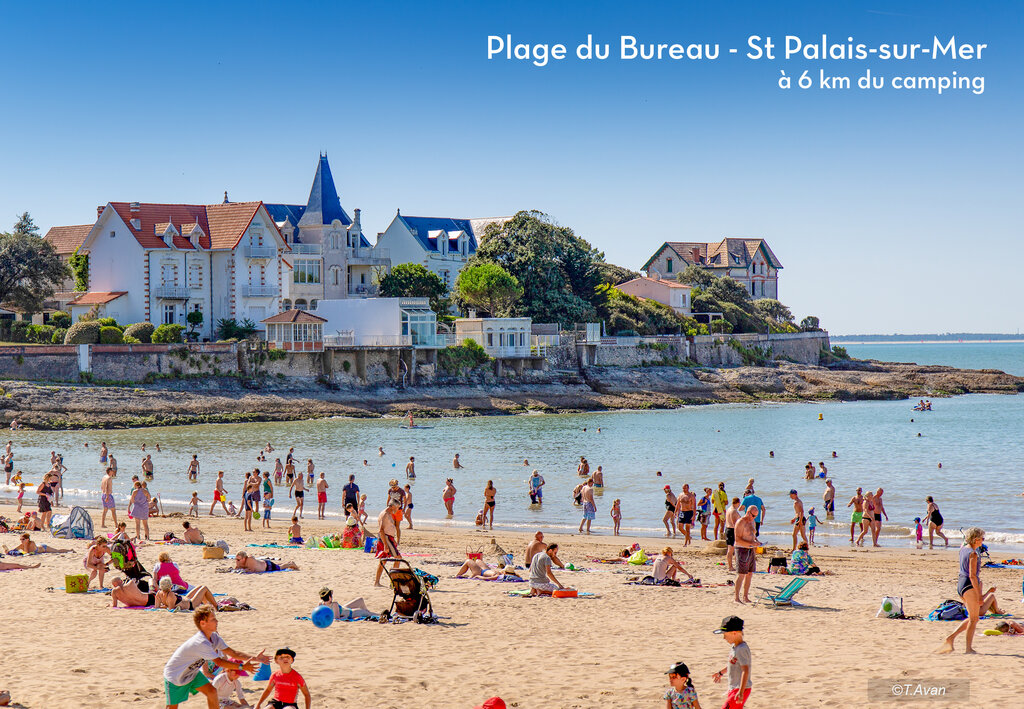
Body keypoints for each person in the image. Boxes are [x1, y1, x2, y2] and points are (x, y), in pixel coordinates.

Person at [163, 604, 269, 709]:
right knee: (172, 707)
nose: (217, 621)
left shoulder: (214, 637)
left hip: (192, 673)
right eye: (213, 619)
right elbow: (220, 662)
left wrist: (256, 658)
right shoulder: (200, 642)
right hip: (175, 676)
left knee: (212, 692)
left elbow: (233, 653)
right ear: (203, 623)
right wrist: (242, 667)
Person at [939, 527, 1004, 654]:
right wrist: (979, 596)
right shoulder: (973, 554)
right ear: (976, 539)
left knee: (973, 617)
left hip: (961, 584)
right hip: (969, 585)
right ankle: (968, 649)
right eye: (982, 539)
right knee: (974, 619)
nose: (983, 541)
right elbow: (973, 575)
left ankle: (951, 638)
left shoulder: (963, 548)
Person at [711, 615, 752, 708]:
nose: (724, 638)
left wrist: (741, 692)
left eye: (725, 635)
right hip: (734, 688)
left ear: (734, 633)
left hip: (740, 688)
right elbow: (733, 664)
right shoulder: (735, 647)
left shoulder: (741, 649)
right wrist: (721, 673)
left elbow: (745, 670)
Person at [733, 506, 759, 604]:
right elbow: (737, 539)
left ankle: (745, 596)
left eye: (755, 516)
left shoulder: (752, 521)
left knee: (749, 573)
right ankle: (736, 597)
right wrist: (751, 543)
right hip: (741, 549)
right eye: (753, 515)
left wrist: (756, 541)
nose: (753, 518)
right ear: (748, 513)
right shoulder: (741, 522)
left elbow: (753, 535)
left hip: (750, 549)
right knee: (741, 574)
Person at [374, 499, 403, 587]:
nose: (398, 509)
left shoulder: (389, 514)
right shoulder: (385, 514)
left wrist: (393, 539)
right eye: (397, 507)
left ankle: (378, 582)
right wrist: (386, 545)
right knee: (398, 558)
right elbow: (381, 530)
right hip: (386, 539)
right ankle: (392, 581)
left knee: (384, 561)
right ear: (393, 506)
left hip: (389, 538)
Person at [155, 577, 219, 611]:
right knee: (204, 588)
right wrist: (166, 607)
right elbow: (171, 609)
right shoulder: (170, 594)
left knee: (200, 587)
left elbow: (157, 608)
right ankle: (216, 607)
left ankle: (208, 606)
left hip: (186, 598)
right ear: (170, 586)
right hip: (191, 604)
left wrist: (164, 606)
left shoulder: (158, 594)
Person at [233, 552, 298, 573]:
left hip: (267, 566)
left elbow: (251, 570)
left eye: (238, 559)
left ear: (244, 558)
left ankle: (291, 564)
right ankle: (289, 562)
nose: (237, 561)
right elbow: (237, 568)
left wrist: (242, 569)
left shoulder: (250, 559)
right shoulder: (239, 561)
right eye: (236, 559)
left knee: (280, 567)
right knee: (277, 565)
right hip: (264, 563)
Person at [724, 497, 741, 572]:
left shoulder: (729, 509)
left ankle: (731, 566)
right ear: (737, 503)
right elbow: (735, 524)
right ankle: (731, 566)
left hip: (728, 529)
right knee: (732, 549)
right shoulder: (733, 511)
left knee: (730, 549)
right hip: (732, 530)